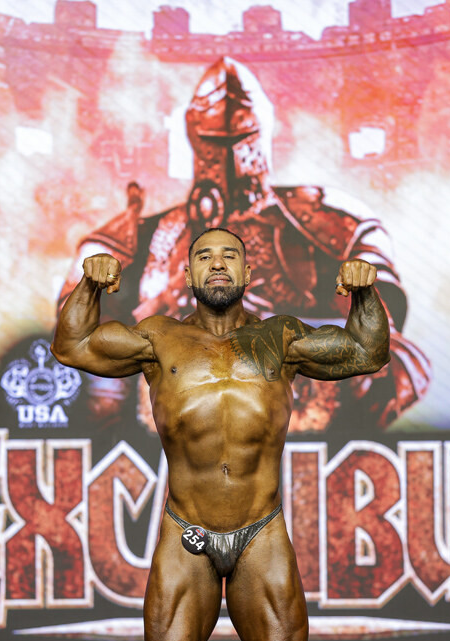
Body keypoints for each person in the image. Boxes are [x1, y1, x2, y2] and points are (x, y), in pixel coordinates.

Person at [51, 227, 390, 641]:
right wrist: (90, 285)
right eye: (204, 256)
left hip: (262, 529)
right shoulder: (159, 339)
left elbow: (367, 353)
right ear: (187, 273)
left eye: (229, 255)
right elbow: (72, 344)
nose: (217, 264)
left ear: (247, 271)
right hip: (188, 531)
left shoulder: (280, 339)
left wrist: (364, 295)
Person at [57, 57, 428, 432]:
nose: (229, 155)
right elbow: (79, 344)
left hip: (295, 425)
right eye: (215, 140)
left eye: (240, 138)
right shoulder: (144, 236)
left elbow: (386, 348)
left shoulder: (328, 223)